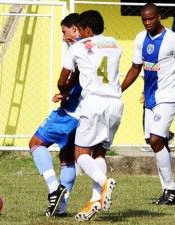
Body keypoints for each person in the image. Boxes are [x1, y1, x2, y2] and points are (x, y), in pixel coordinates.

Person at [121, 3, 175, 205]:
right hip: (150, 98)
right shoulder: (140, 38)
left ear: (159, 17)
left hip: (169, 96)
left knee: (156, 139)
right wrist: (118, 89)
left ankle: (171, 188)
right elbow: (135, 68)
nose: (147, 22)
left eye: (151, 18)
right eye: (144, 19)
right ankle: (167, 190)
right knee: (155, 143)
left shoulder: (174, 40)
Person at [57, 10, 123, 221]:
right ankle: (95, 200)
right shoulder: (115, 43)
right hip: (115, 103)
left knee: (81, 154)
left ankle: (104, 183)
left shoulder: (77, 47)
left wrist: (63, 89)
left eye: (82, 30)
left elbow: (63, 79)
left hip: (93, 102)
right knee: (99, 153)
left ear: (87, 29)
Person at [28, 13, 81, 217]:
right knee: (67, 157)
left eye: (64, 32)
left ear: (75, 29)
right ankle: (61, 207)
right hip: (85, 113)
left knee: (36, 143)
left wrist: (65, 90)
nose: (63, 37)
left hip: (70, 111)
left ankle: (54, 189)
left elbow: (71, 77)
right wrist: (67, 92)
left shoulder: (78, 49)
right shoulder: (96, 47)